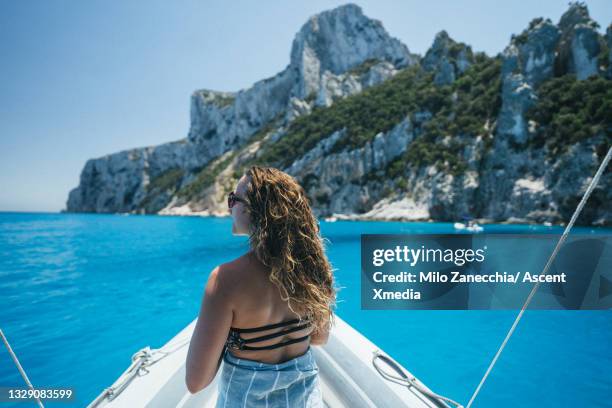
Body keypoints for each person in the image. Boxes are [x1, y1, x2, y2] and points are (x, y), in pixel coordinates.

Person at [186, 166, 337, 407]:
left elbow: (196, 382)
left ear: (252, 209)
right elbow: (319, 338)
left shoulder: (225, 280)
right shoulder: (313, 269)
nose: (229, 207)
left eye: (233, 199)